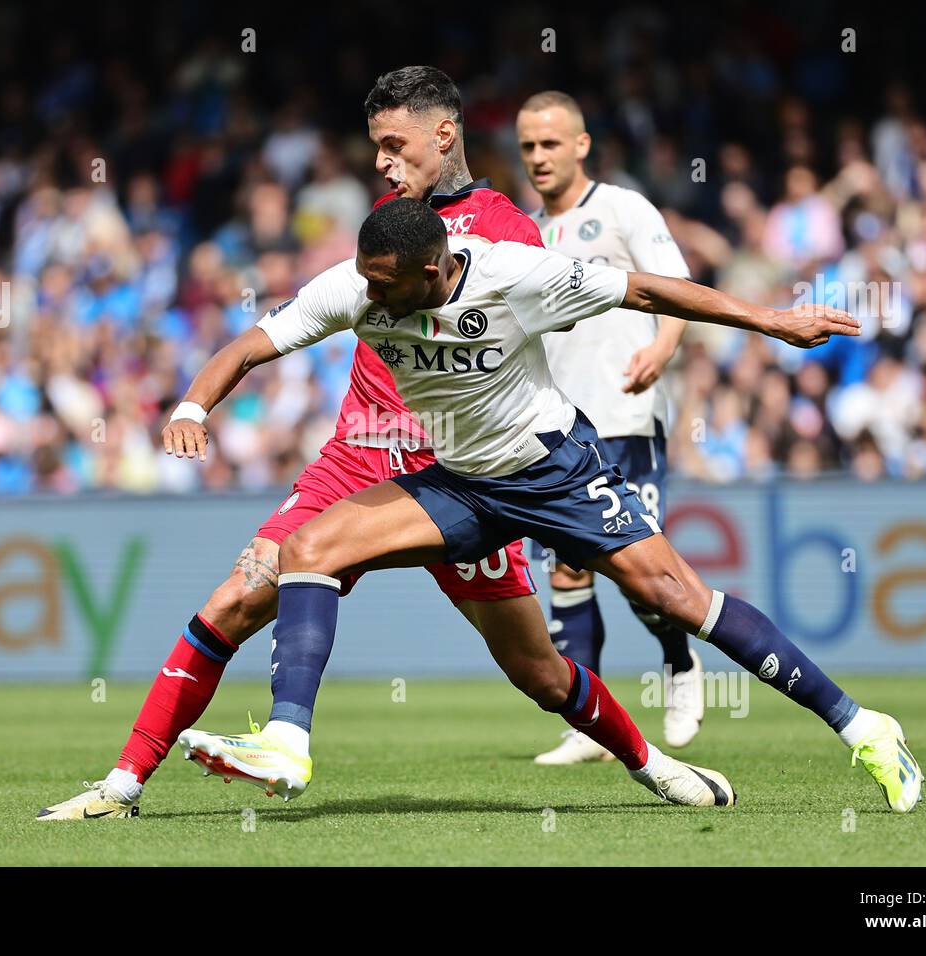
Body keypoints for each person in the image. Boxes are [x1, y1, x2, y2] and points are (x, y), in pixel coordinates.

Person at [38, 66, 662, 820]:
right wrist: (193, 406)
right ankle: (124, 784)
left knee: (538, 672)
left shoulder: (505, 230)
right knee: (234, 599)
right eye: (376, 148)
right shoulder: (385, 225)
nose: (381, 162)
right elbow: (280, 328)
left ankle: (650, 762)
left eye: (393, 146)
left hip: (456, 473)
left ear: (444, 134)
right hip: (356, 459)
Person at [174, 198, 924, 815]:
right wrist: (191, 408)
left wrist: (770, 319)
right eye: (366, 279)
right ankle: (286, 741)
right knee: (308, 550)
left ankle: (864, 726)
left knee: (676, 596)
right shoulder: (352, 287)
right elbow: (246, 348)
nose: (372, 296)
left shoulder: (517, 276)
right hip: (461, 481)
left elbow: (647, 288)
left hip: (553, 471)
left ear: (433, 270)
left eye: (388, 283)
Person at [518, 90, 702, 761]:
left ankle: (680, 665)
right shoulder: (525, 234)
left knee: (639, 572)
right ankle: (588, 727)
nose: (538, 157)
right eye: (528, 147)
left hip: (626, 412)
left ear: (581, 145)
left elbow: (676, 284)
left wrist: (664, 347)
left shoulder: (622, 208)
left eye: (549, 144)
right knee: (567, 573)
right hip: (561, 427)